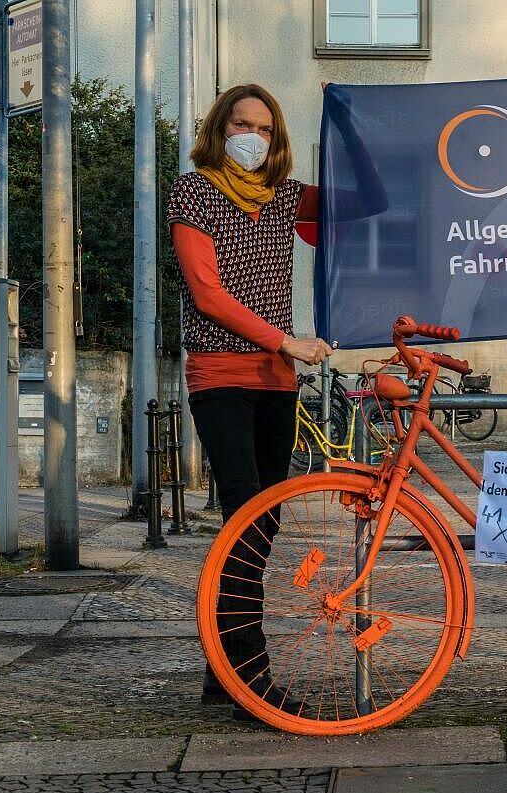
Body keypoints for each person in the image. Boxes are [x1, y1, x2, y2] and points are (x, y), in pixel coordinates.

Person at [166, 84, 332, 719]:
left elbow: (360, 203)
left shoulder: (285, 198)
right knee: (243, 518)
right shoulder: (196, 190)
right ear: (220, 127)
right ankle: (248, 677)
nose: (252, 138)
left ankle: (223, 663)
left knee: (264, 525)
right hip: (223, 376)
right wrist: (286, 339)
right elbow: (206, 294)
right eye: (242, 124)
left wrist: (344, 113)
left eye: (264, 129)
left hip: (277, 380)